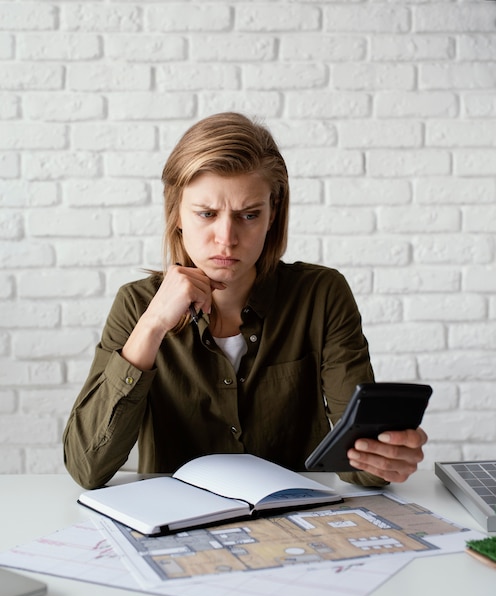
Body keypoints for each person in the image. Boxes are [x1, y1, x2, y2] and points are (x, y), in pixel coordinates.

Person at [63, 112, 427, 490]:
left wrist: (385, 458)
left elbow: (360, 465)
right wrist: (152, 326)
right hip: (179, 527)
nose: (226, 238)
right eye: (206, 214)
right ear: (177, 215)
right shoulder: (136, 305)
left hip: (294, 524)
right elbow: (86, 467)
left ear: (272, 216)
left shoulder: (322, 295)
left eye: (249, 215)